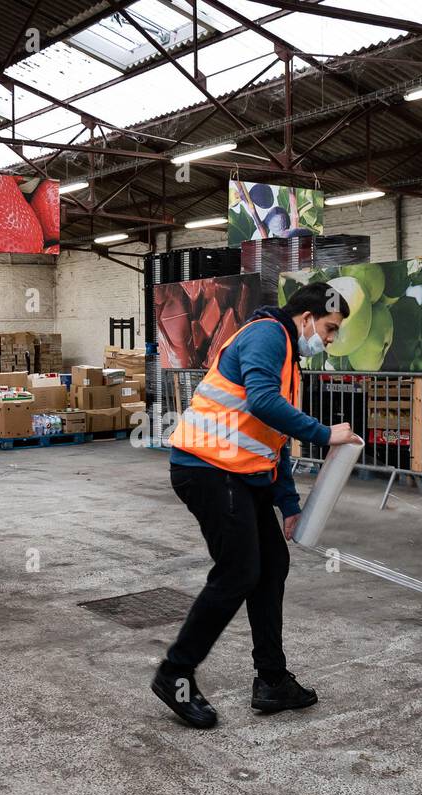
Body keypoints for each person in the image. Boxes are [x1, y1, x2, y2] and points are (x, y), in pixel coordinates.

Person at [154, 281, 356, 729]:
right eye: (329, 328)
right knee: (239, 572)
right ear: (306, 318)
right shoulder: (266, 334)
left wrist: (288, 503)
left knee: (270, 567)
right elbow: (263, 402)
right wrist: (324, 434)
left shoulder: (289, 359)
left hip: (241, 474)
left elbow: (272, 439)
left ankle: (272, 680)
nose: (329, 339)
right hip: (207, 469)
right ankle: (175, 674)